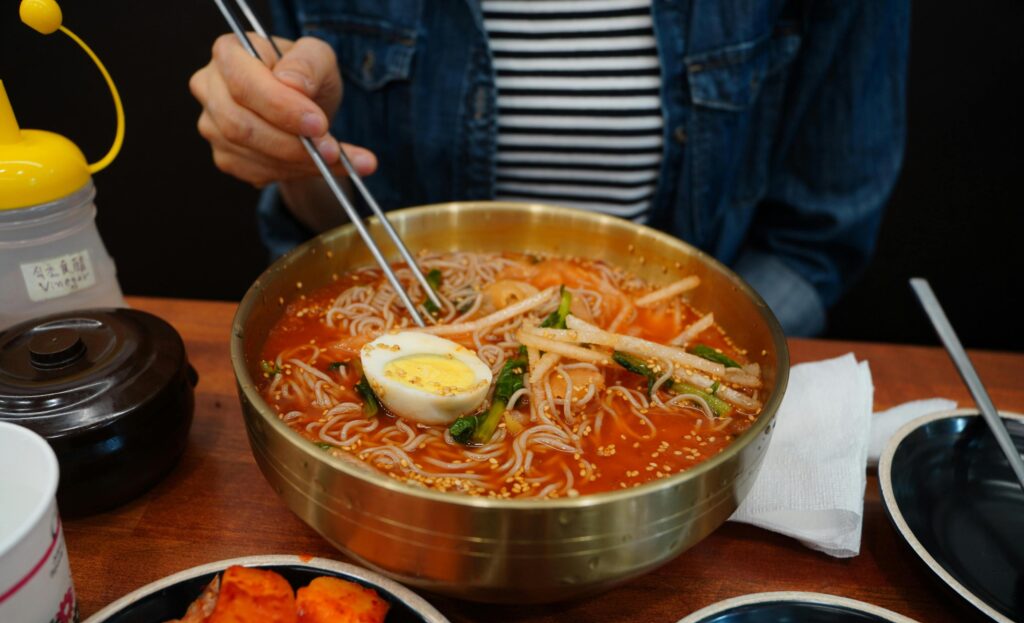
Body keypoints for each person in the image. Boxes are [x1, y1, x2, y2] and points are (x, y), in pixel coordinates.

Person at [189, 1, 909, 337]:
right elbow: (323, 230)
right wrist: (295, 142)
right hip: (384, 326)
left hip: (688, 347)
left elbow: (816, 235)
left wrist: (688, 347)